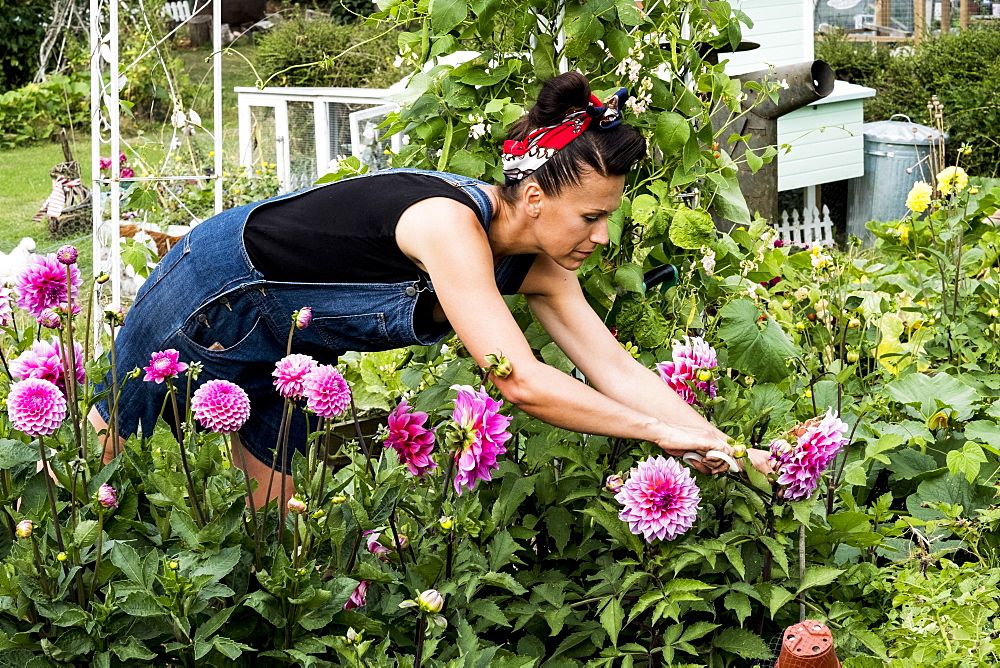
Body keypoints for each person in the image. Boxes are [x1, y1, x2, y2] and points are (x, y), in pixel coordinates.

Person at [90, 72, 771, 507]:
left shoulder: (536, 264)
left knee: (278, 518)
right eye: (591, 216)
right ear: (533, 197)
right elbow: (520, 380)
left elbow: (615, 367)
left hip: (294, 340)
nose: (600, 236)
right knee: (105, 458)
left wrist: (733, 452)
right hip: (218, 292)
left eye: (607, 217)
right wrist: (658, 434)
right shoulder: (450, 226)